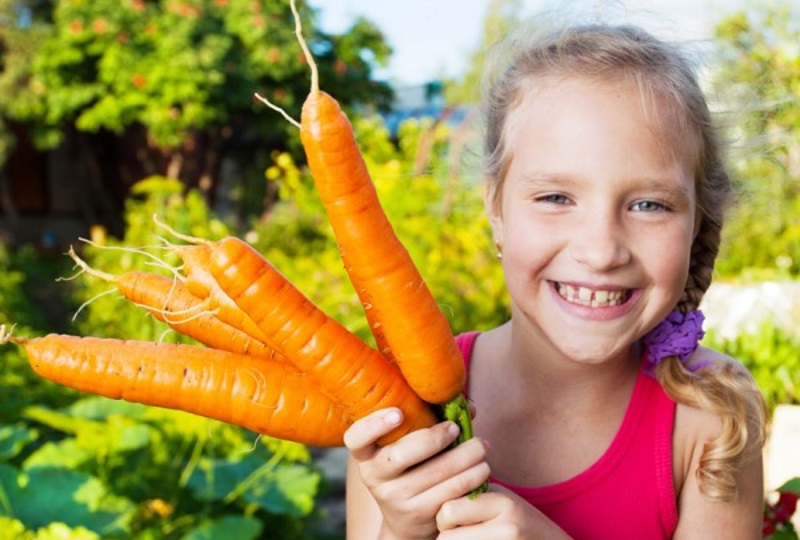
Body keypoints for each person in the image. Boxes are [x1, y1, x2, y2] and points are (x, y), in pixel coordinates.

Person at [343, 21, 768, 539]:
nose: (601, 250)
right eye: (556, 198)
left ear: (698, 219)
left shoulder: (712, 412)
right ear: (495, 207)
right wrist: (404, 531)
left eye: (649, 204)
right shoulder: (404, 411)